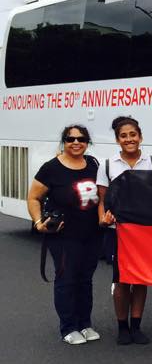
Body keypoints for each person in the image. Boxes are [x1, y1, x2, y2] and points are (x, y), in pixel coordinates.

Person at [27, 125, 101, 345]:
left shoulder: (93, 165)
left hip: (92, 234)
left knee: (85, 280)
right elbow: (33, 198)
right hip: (63, 236)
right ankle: (68, 327)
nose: (76, 142)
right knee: (66, 279)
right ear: (64, 142)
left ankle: (84, 324)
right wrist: (39, 222)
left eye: (81, 139)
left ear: (87, 142)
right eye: (70, 139)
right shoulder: (51, 168)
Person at [96, 116, 152, 345]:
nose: (129, 139)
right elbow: (102, 199)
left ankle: (137, 325)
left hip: (143, 231)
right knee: (121, 279)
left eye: (133, 135)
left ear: (140, 137)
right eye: (124, 136)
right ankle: (122, 327)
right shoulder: (108, 165)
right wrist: (103, 218)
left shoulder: (151, 161)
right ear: (117, 140)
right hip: (117, 231)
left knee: (140, 278)